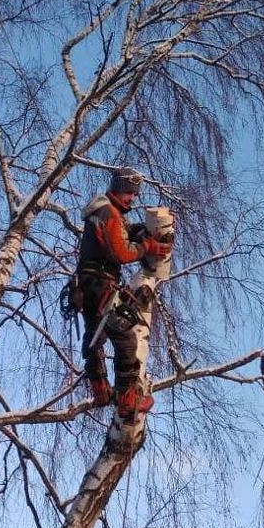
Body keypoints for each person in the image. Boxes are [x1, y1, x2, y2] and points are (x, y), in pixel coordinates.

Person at [77, 167, 171, 418]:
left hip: (88, 285)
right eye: (130, 192)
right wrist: (148, 245)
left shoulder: (106, 212)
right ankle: (127, 400)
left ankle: (100, 390)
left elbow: (117, 237)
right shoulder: (108, 212)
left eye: (135, 193)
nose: (133, 198)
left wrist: (138, 231)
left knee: (95, 337)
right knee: (126, 338)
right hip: (100, 283)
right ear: (118, 187)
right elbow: (121, 252)